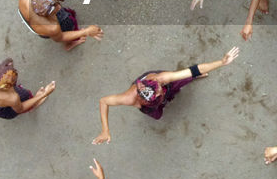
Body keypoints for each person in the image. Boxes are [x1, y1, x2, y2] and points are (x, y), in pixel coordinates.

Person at [92, 47, 240, 144]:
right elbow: (104, 101)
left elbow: (193, 69)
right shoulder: (129, 99)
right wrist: (105, 129)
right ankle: (163, 103)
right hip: (151, 107)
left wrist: (221, 62)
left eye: (159, 90)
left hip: (165, 83)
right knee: (158, 115)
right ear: (141, 100)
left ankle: (195, 79)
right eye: (159, 94)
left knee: (184, 78)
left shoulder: (161, 79)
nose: (160, 92)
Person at [5, 0, 103, 51]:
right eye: (55, 8)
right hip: (44, 30)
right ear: (46, 15)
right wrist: (86, 31)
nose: (59, 6)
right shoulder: (52, 28)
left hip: (27, 17)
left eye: (56, 4)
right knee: (66, 28)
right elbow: (60, 37)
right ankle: (69, 44)